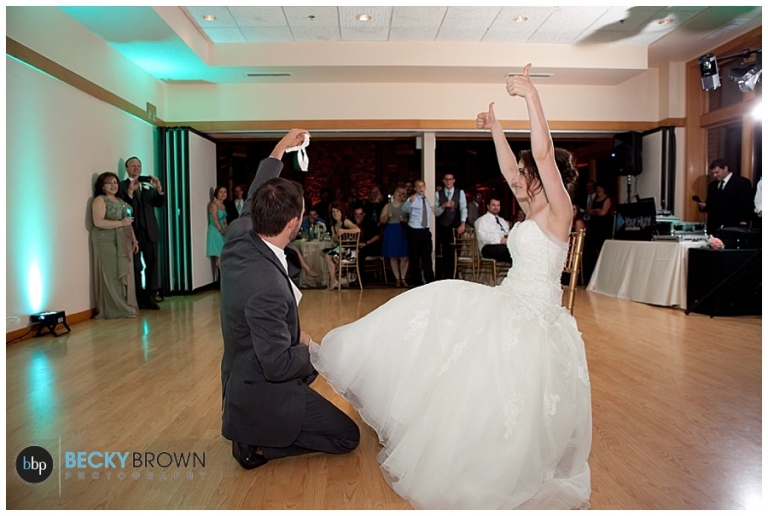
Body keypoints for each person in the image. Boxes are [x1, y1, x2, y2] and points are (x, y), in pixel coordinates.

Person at [311, 64, 591, 510]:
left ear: (545, 175)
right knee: (437, 307)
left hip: (535, 317)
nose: (518, 176)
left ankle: (496, 458)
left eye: (526, 170)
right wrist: (496, 127)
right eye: (521, 171)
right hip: (509, 299)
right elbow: (510, 165)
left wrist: (531, 97)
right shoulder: (530, 202)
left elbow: (541, 152)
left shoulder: (559, 207)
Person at [220, 129, 360, 471]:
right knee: (347, 437)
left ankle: (254, 428)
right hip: (262, 387)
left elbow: (257, 189)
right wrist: (316, 352)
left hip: (241, 371)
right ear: (294, 223)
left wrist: (281, 148)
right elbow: (278, 364)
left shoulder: (240, 234)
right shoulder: (266, 287)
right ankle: (258, 443)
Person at [118, 156, 165, 310]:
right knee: (136, 266)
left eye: (139, 165)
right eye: (133, 166)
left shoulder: (148, 186)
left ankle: (151, 297)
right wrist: (130, 192)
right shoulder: (122, 186)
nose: (136, 168)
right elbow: (124, 207)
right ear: (126, 169)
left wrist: (159, 189)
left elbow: (159, 203)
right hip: (133, 232)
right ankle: (138, 297)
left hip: (151, 231)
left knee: (152, 264)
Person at [91, 172, 140, 319]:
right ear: (102, 186)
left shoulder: (120, 201)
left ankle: (125, 305)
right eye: (109, 182)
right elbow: (98, 221)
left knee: (123, 272)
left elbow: (128, 222)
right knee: (112, 274)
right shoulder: (100, 200)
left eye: (115, 182)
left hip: (123, 239)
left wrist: (134, 240)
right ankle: (115, 308)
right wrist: (120, 223)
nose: (114, 185)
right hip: (106, 240)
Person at [697, 158, 754, 234]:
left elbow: (747, 204)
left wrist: (744, 221)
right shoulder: (712, 185)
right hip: (714, 227)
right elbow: (710, 205)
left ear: (726, 168)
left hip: (734, 226)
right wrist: (704, 206)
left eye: (717, 172)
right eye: (713, 173)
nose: (715, 175)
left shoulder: (742, 183)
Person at [401, 179, 435, 287]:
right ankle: (416, 281)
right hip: (415, 231)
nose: (421, 188)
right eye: (418, 186)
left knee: (427, 257)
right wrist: (410, 202)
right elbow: (404, 209)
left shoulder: (427, 200)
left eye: (422, 186)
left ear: (425, 187)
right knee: (415, 257)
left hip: (425, 231)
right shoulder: (412, 199)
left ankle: (430, 280)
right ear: (415, 188)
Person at [434, 173, 467, 280]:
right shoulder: (438, 194)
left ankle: (455, 276)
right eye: (446, 179)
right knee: (445, 252)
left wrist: (462, 223)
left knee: (456, 252)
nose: (448, 182)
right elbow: (436, 213)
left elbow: (463, 208)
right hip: (443, 226)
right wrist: (443, 206)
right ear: (443, 181)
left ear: (454, 181)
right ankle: (446, 277)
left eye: (450, 179)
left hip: (456, 226)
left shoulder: (460, 193)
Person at [323, 203, 360, 290]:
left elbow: (357, 229)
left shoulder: (345, 222)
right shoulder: (333, 226)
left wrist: (344, 231)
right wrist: (336, 235)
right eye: (333, 212)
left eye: (337, 211)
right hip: (340, 250)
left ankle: (334, 280)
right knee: (324, 253)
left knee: (328, 256)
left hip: (349, 252)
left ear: (341, 212)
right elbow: (335, 240)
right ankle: (334, 279)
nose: (335, 214)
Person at [380, 186, 410, 288]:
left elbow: (411, 219)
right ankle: (397, 278)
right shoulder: (387, 206)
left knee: (404, 256)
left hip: (402, 231)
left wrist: (406, 220)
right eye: (399, 192)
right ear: (395, 193)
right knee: (393, 256)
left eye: (403, 193)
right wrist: (387, 216)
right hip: (391, 231)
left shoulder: (406, 206)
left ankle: (403, 278)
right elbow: (381, 221)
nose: (400, 194)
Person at [474, 197, 512, 263]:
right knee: (508, 251)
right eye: (493, 205)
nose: (496, 207)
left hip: (504, 246)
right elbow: (483, 238)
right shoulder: (482, 220)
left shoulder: (502, 221)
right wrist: (499, 240)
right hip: (487, 247)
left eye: (498, 205)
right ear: (488, 206)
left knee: (517, 249)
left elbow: (508, 233)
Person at [207, 185, 228, 275]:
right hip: (216, 231)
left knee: (223, 255)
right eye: (221, 192)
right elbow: (215, 219)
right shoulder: (213, 205)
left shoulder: (223, 206)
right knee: (219, 255)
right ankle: (221, 278)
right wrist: (222, 230)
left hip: (223, 231)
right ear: (216, 193)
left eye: (225, 192)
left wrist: (227, 231)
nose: (223, 194)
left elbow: (225, 221)